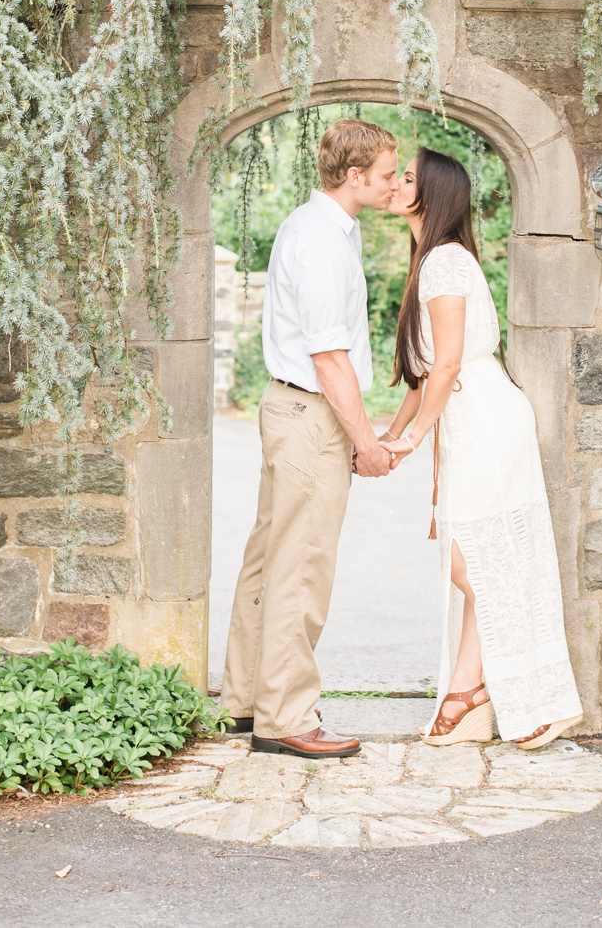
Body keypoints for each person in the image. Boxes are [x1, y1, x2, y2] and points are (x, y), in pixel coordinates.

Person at [383, 147, 583, 748]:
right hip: (468, 421)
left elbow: (447, 366)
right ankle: (467, 694)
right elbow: (423, 375)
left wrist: (413, 439)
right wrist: (391, 435)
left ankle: (540, 693)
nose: (394, 184)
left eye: (407, 178)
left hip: (486, 421)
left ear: (433, 195)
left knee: (474, 564)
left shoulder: (444, 262)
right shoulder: (432, 259)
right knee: (479, 560)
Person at [220, 118, 399, 759]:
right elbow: (329, 357)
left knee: (269, 560)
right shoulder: (324, 240)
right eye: (384, 174)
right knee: (302, 566)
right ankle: (286, 716)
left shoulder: (311, 225)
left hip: (286, 408)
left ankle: (247, 699)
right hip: (311, 414)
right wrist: (367, 440)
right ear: (353, 176)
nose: (392, 184)